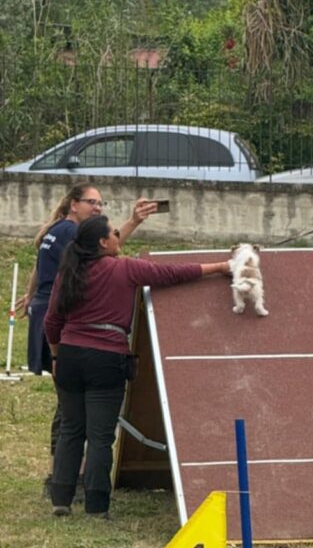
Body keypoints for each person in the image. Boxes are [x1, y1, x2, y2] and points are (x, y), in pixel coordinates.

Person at [44, 215, 231, 519]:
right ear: (104, 242)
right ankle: (96, 505)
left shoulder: (69, 272)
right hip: (106, 358)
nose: (119, 237)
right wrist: (220, 267)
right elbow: (172, 274)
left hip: (69, 356)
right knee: (101, 436)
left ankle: (61, 500)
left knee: (71, 429)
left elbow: (51, 321)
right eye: (114, 234)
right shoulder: (125, 268)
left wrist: (55, 357)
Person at [17, 184, 159, 496]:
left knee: (68, 402)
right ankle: (63, 476)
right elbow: (106, 247)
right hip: (62, 323)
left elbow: (45, 269)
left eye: (100, 203)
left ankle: (63, 475)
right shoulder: (72, 232)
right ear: (73, 204)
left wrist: (32, 294)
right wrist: (133, 222)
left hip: (47, 310)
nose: (97, 208)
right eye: (91, 202)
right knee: (69, 411)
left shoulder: (55, 229)